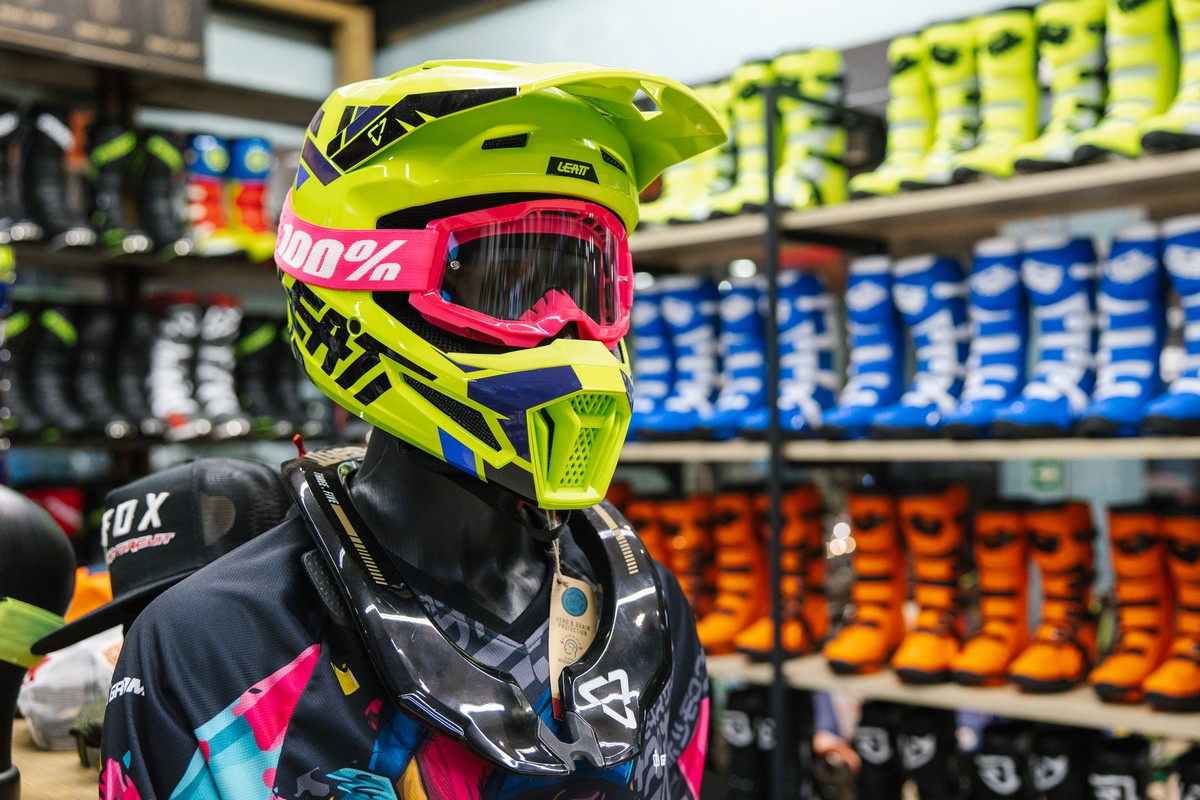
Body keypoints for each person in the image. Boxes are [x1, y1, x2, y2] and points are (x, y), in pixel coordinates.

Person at [100, 60, 726, 800]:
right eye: (511, 284)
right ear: (359, 281)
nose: (569, 330)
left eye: (585, 286)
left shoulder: (644, 604)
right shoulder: (213, 644)